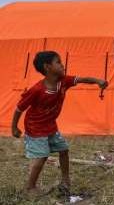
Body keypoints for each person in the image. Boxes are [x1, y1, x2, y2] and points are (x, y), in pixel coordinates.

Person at [10, 51, 107, 198]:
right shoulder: (37, 90)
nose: (63, 65)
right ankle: (29, 188)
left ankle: (65, 180)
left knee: (64, 150)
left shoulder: (64, 81)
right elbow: (19, 108)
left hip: (50, 126)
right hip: (35, 128)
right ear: (47, 67)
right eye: (58, 62)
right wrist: (14, 127)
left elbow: (81, 79)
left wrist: (98, 81)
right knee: (42, 156)